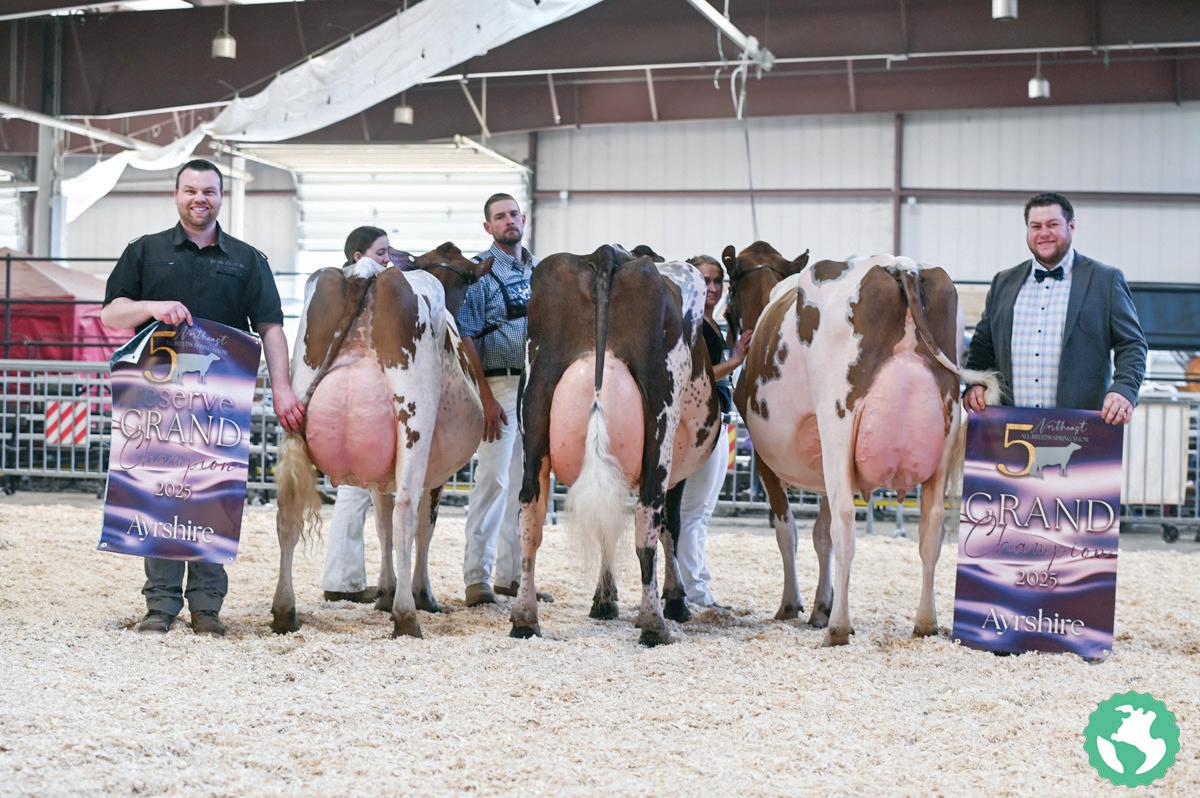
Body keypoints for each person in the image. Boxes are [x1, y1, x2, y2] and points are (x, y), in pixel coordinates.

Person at [102, 158, 304, 637]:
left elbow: (271, 327)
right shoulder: (144, 251)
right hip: (155, 400)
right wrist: (152, 307)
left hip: (220, 402)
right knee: (157, 494)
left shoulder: (248, 260)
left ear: (220, 197)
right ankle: (160, 605)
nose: (200, 199)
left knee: (212, 494)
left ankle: (207, 607)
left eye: (209, 191)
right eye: (191, 190)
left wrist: (282, 388)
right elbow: (112, 313)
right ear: (176, 195)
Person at [964, 192, 1146, 423]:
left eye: (1052, 224)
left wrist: (1124, 389)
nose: (1044, 233)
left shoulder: (1105, 281)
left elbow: (1132, 344)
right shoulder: (1003, 282)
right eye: (1036, 226)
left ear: (1071, 226)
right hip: (1010, 427)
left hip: (1081, 427)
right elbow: (982, 345)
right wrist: (976, 384)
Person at [455, 193, 550, 606]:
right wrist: (486, 396)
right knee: (492, 479)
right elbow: (466, 334)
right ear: (488, 227)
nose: (508, 221)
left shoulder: (540, 271)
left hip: (536, 387)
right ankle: (477, 577)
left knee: (527, 482)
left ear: (523, 218)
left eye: (513, 214)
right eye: (499, 217)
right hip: (500, 385)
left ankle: (514, 575)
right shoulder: (480, 272)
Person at [319, 226, 392, 604]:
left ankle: (345, 578)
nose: (387, 260)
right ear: (358, 256)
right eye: (381, 253)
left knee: (356, 489)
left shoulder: (337, 292)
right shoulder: (359, 289)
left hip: (342, 397)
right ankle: (343, 581)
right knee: (355, 489)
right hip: (360, 399)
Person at [676, 255, 752, 608]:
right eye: (705, 280)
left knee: (701, 511)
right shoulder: (690, 324)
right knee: (693, 511)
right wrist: (735, 361)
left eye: (717, 280)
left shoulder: (712, 324)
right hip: (699, 424)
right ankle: (694, 590)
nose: (712, 287)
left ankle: (693, 584)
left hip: (718, 420)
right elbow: (697, 374)